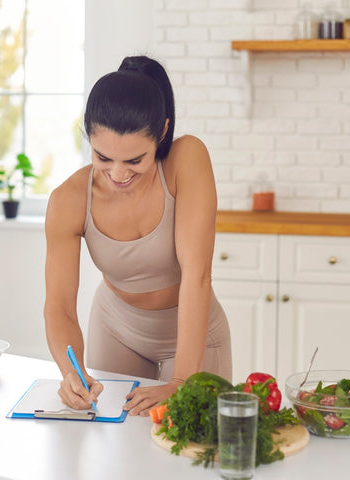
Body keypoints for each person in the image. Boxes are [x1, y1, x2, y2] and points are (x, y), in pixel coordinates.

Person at [44, 55, 231, 417]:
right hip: (117, 330)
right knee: (117, 455)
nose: (117, 174)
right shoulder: (67, 200)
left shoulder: (186, 159)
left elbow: (198, 275)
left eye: (135, 161)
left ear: (162, 132)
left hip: (195, 332)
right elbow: (60, 306)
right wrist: (72, 374)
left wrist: (180, 382)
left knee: (195, 450)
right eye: (102, 157)